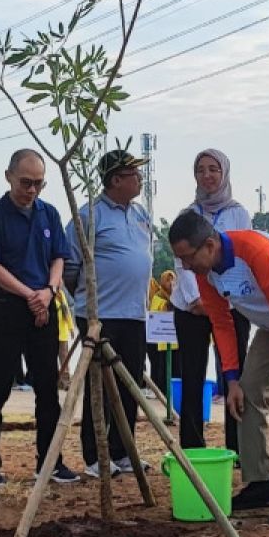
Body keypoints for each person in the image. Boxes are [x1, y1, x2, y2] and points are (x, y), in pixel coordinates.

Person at [168, 211, 269, 526]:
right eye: (180, 261)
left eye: (188, 258)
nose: (186, 267)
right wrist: (230, 379)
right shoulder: (205, 274)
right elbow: (221, 323)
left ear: (209, 244)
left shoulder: (254, 250)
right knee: (247, 393)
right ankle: (261, 482)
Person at [0, 148, 79, 489]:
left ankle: (49, 461)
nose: (31, 190)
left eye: (38, 183)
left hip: (44, 308)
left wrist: (48, 291)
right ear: (8, 176)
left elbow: (59, 258)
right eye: (25, 182)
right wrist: (28, 294)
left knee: (48, 389)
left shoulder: (48, 215)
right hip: (8, 308)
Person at [66, 149, 155, 477]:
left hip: (134, 313)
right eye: (134, 174)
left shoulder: (141, 214)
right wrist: (88, 308)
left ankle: (122, 451)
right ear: (116, 179)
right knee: (99, 385)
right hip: (100, 315)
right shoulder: (89, 216)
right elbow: (72, 268)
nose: (140, 179)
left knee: (130, 382)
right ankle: (95, 456)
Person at [169, 149, 254, 453]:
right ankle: (192, 448)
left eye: (213, 169)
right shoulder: (186, 215)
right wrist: (196, 298)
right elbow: (181, 262)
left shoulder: (238, 214)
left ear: (225, 173)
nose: (207, 176)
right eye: (201, 170)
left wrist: (222, 298)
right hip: (190, 308)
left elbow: (242, 259)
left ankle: (238, 447)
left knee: (234, 375)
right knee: (192, 375)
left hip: (230, 306)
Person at [148, 270, 179, 391]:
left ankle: (174, 389)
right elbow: (154, 311)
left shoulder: (177, 296)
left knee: (176, 365)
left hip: (175, 338)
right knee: (161, 364)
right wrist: (166, 305)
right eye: (168, 280)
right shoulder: (159, 296)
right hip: (161, 338)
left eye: (173, 280)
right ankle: (160, 390)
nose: (171, 282)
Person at [56, 288, 76, 391]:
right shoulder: (46, 294)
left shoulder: (61, 294)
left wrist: (71, 328)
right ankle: (55, 381)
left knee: (64, 358)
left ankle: (66, 382)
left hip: (62, 333)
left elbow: (66, 312)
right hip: (50, 333)